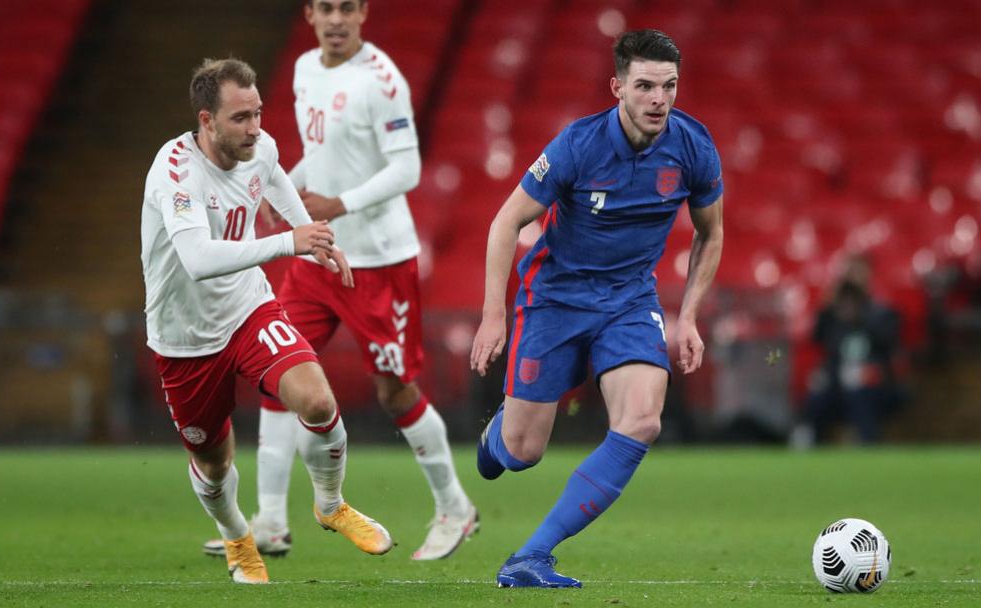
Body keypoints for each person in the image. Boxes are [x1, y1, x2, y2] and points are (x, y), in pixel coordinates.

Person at [202, 0, 477, 562]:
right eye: (326, 7)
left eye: (346, 7)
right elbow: (322, 154)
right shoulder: (305, 68)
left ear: (362, 13)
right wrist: (282, 193)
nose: (336, 18)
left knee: (394, 391)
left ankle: (455, 506)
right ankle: (272, 520)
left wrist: (337, 203)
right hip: (320, 254)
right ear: (309, 13)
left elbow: (408, 168)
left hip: (380, 261)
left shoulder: (383, 80)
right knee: (280, 373)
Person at [469, 30, 724, 588]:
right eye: (646, 86)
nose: (660, 99)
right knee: (522, 450)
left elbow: (711, 233)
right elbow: (505, 223)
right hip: (554, 297)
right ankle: (499, 438)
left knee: (643, 419)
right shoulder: (577, 145)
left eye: (669, 86)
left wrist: (690, 315)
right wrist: (494, 314)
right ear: (618, 88)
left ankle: (531, 556)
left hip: (630, 299)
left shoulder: (693, 147)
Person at [141, 58, 392, 584]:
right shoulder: (176, 170)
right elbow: (198, 261)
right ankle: (237, 536)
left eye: (257, 114)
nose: (254, 128)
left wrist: (314, 241)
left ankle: (330, 504)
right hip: (185, 337)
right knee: (213, 466)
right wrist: (287, 243)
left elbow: (275, 179)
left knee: (318, 399)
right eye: (240, 119)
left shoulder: (261, 147)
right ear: (207, 121)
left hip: (248, 309)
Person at [793, 254, 902, 445]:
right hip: (837, 383)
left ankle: (868, 443)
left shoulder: (882, 313)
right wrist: (831, 302)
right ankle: (806, 439)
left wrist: (859, 315)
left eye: (856, 272)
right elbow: (816, 337)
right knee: (819, 394)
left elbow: (888, 344)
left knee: (859, 394)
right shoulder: (831, 314)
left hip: (873, 385)